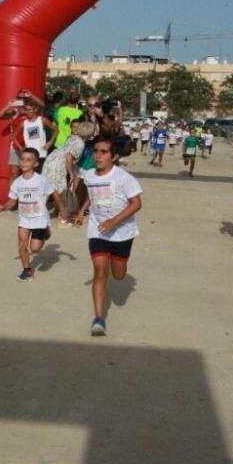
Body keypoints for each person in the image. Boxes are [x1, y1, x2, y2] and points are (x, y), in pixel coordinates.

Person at [73, 136, 143, 337]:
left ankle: (120, 266)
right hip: (98, 230)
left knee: (118, 274)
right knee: (100, 272)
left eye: (103, 152)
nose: (98, 155)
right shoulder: (90, 176)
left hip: (122, 233)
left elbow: (136, 204)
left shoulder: (124, 178)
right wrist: (81, 211)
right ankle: (99, 318)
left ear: (114, 156)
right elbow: (91, 194)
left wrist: (114, 221)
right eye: (96, 151)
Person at [0, 148, 68, 282]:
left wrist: (62, 210)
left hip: (39, 219)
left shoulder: (41, 180)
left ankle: (46, 231)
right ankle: (27, 271)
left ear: (35, 164)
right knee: (22, 244)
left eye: (29, 160)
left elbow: (55, 193)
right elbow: (12, 202)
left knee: (35, 249)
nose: (24, 162)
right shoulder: (17, 182)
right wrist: (3, 207)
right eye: (22, 159)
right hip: (24, 219)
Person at [42, 120, 90, 227]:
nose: (76, 129)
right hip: (58, 164)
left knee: (47, 187)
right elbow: (69, 156)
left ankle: (40, 214)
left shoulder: (72, 138)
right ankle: (62, 216)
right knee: (58, 189)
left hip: (51, 160)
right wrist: (71, 173)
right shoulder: (80, 143)